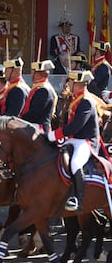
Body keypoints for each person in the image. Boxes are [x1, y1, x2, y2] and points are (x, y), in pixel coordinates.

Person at [47, 70, 99, 213]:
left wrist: (56, 134)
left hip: (86, 141)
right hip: (73, 139)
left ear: (78, 83)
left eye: (71, 81)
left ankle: (78, 199)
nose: (68, 83)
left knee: (75, 163)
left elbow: (77, 126)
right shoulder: (74, 98)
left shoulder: (86, 101)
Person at [21, 59, 57, 133]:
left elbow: (36, 112)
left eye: (32, 72)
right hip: (33, 125)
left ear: (37, 74)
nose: (31, 74)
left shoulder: (44, 90)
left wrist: (20, 118)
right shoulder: (38, 87)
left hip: (39, 128)